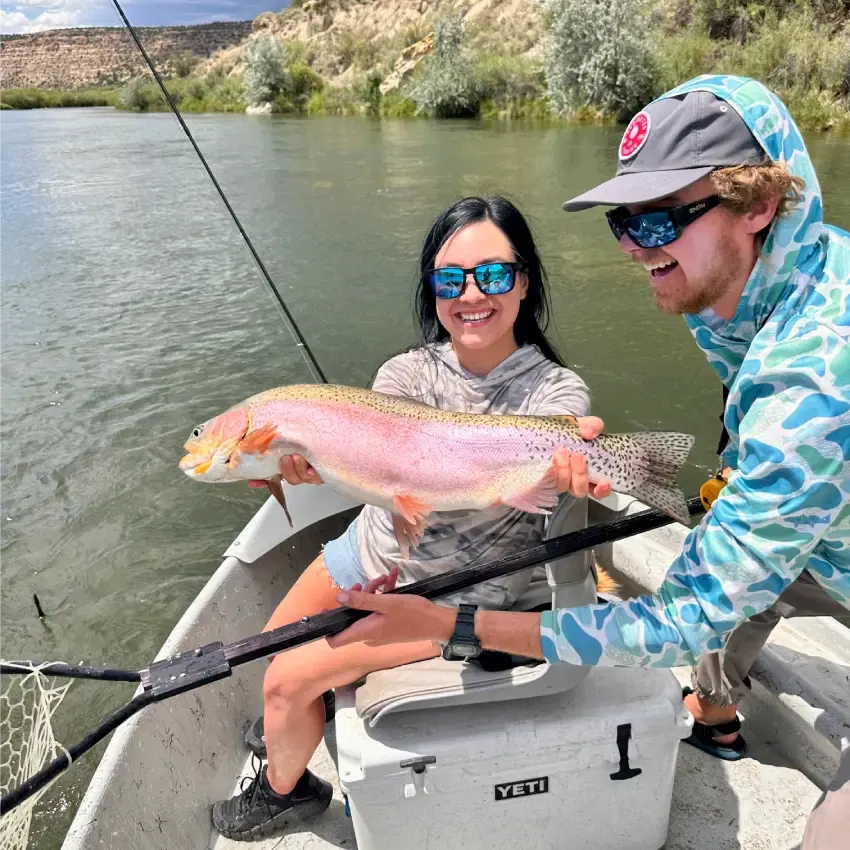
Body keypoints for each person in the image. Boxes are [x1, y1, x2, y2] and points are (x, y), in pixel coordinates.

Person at [329, 76, 850, 848]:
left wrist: (446, 622)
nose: (640, 247)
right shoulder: (776, 281)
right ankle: (714, 706)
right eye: (627, 221)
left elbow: (680, 620)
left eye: (664, 217)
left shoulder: (811, 384)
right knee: (730, 561)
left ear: (758, 203)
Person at [210, 195, 609, 840]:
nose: (471, 294)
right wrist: (307, 462)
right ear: (433, 289)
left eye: (494, 275)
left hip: (460, 588)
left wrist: (577, 466)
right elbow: (387, 482)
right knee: (269, 643)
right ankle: (303, 716)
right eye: (450, 279)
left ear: (525, 281)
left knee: (285, 683)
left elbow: (570, 436)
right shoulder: (402, 373)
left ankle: (288, 794)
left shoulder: (554, 392)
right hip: (377, 549)